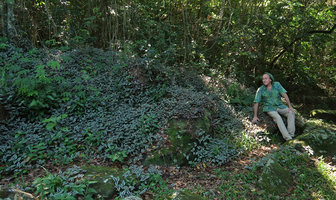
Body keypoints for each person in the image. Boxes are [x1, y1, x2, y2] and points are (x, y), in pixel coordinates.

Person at [252, 73, 296, 141]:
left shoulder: (277, 85)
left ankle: (291, 135)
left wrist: (290, 106)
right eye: (263, 79)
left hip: (280, 106)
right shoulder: (260, 89)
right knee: (278, 117)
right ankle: (288, 139)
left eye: (266, 78)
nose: (264, 80)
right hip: (269, 108)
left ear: (270, 79)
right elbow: (256, 102)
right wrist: (255, 116)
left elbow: (284, 94)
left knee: (291, 112)